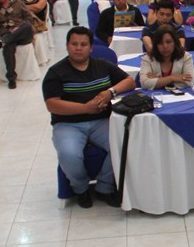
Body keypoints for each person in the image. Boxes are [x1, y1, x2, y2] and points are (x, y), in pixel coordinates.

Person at [43, 27, 135, 207]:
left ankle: (105, 186)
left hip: (102, 121)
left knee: (123, 142)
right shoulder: (55, 72)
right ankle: (80, 188)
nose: (79, 48)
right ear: (67, 46)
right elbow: (52, 104)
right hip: (68, 124)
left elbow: (129, 81)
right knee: (69, 154)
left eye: (83, 44)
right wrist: (85, 108)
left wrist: (111, 91)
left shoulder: (102, 65)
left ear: (91, 47)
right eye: (74, 44)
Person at [0, 0, 36, 89]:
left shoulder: (17, 3)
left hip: (22, 34)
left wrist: (18, 28)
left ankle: (2, 42)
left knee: (26, 25)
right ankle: (11, 78)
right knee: (8, 47)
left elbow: (29, 18)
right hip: (8, 35)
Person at [140, 25, 194, 90]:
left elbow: (189, 82)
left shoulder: (186, 57)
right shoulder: (148, 58)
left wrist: (158, 79)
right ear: (155, 44)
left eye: (168, 42)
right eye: (160, 43)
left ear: (175, 42)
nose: (165, 46)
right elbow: (144, 83)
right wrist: (172, 78)